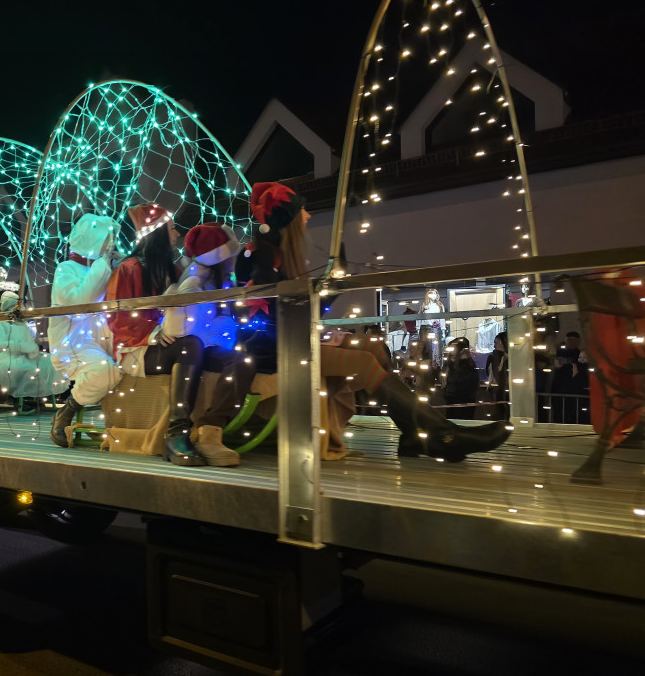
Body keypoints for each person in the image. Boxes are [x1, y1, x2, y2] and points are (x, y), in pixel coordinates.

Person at [238, 181, 510, 462]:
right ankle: (442, 435)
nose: (307, 218)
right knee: (363, 361)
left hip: (291, 343)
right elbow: (276, 306)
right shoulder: (258, 254)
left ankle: (416, 435)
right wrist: (326, 288)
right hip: (273, 353)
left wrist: (330, 286)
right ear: (288, 221)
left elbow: (299, 308)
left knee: (374, 348)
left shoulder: (278, 257)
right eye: (301, 213)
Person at [104, 204, 242, 466]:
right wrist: (153, 332)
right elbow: (116, 317)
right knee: (190, 345)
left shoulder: (175, 270)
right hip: (136, 350)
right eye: (171, 228)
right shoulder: (128, 268)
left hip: (173, 343)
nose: (177, 233)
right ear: (156, 233)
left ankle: (211, 432)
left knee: (231, 357)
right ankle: (176, 433)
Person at [159, 222, 254, 466]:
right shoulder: (195, 283)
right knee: (210, 352)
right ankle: (179, 433)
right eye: (231, 254)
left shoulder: (218, 280)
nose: (235, 259)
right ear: (220, 258)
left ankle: (211, 430)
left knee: (243, 359)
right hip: (190, 348)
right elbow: (183, 329)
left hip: (204, 346)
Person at [48, 214, 123, 446]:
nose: (110, 244)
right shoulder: (66, 269)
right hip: (72, 344)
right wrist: (104, 265)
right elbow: (80, 304)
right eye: (106, 239)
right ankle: (66, 412)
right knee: (104, 372)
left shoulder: (104, 268)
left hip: (101, 340)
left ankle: (127, 421)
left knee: (134, 361)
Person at [0, 291, 67, 408]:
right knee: (17, 368)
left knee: (51, 362)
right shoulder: (0, 323)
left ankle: (41, 396)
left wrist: (32, 349)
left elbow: (31, 342)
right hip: (6, 355)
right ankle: (15, 397)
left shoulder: (23, 325)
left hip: (26, 355)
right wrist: (21, 346)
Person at [441, 337, 480, 419]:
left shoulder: (468, 366)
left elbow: (465, 384)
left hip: (464, 403)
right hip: (452, 402)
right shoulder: (450, 364)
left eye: (453, 348)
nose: (451, 351)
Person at [485, 331, 510, 420]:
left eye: (496, 343)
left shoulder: (507, 359)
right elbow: (491, 373)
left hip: (505, 393)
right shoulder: (494, 357)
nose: (495, 346)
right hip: (497, 393)